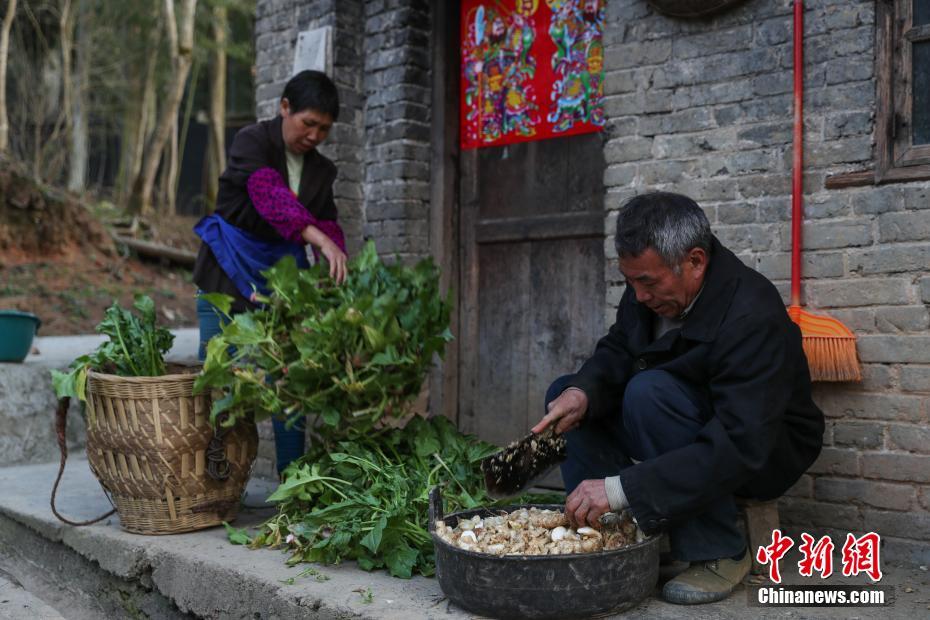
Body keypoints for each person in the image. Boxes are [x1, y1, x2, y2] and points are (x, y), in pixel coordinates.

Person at [532, 192, 824, 605]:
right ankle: (617, 534)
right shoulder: (649, 292)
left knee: (650, 392)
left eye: (647, 282)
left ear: (695, 261)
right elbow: (618, 350)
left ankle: (719, 551)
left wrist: (620, 488)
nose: (637, 296)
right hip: (678, 420)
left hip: (764, 448)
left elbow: (742, 441)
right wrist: (583, 392)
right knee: (569, 398)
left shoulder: (751, 314)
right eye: (629, 281)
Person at [193, 70, 348, 476]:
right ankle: (206, 475)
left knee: (289, 376)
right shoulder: (253, 141)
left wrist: (336, 268)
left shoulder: (321, 171)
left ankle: (292, 478)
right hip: (228, 268)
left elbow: (328, 224)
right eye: (308, 123)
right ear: (284, 108)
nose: (314, 135)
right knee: (216, 372)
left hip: (283, 281)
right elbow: (267, 194)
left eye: (324, 129)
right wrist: (317, 238)